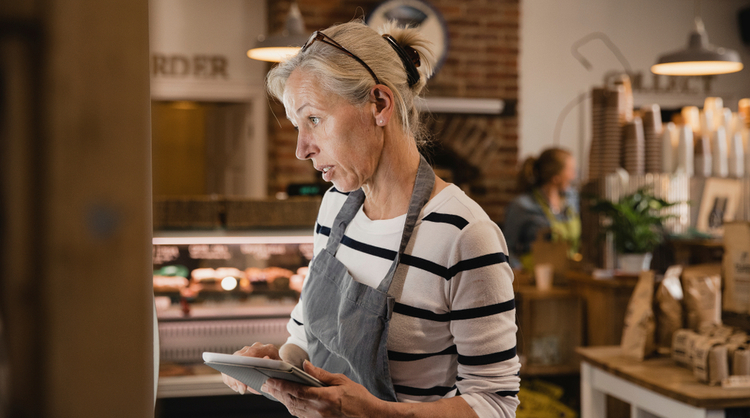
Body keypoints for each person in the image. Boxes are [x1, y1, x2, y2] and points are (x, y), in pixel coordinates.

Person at [222, 20, 520, 418]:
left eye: (313, 120)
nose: (301, 150)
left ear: (379, 105)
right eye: (297, 126)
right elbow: (306, 338)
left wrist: (378, 413)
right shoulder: (333, 208)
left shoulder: (465, 234)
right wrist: (276, 365)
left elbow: (495, 403)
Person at [503, 148, 581, 272]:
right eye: (571, 170)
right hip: (534, 280)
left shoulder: (572, 201)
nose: (574, 176)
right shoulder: (522, 205)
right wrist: (519, 271)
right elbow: (506, 247)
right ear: (556, 177)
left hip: (568, 277)